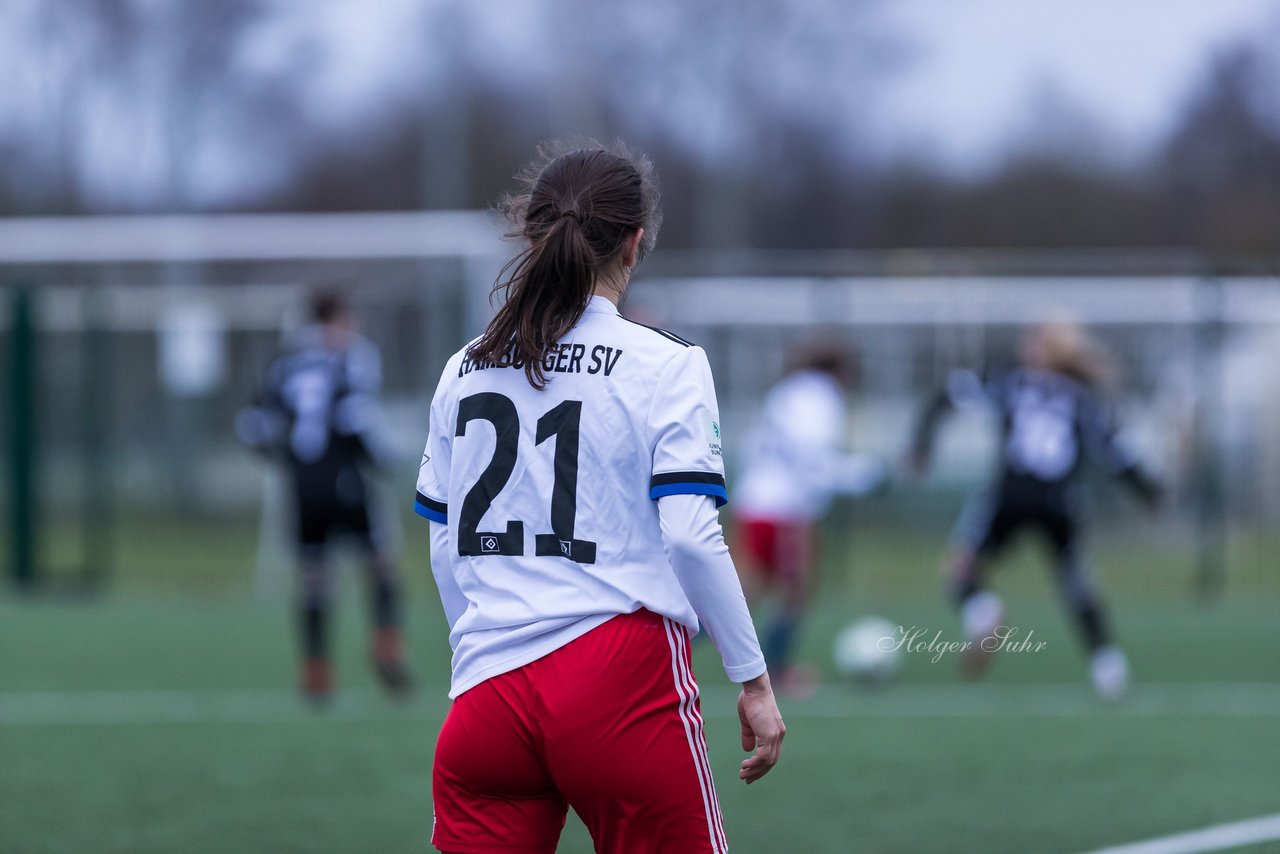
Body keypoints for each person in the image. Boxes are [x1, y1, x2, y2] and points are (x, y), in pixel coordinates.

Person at [414, 141, 785, 854]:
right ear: (635, 244)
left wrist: (483, 651)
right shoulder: (667, 363)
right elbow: (688, 535)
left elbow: (443, 545)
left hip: (487, 694)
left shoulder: (464, 366)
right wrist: (754, 679)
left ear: (533, 234)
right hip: (616, 678)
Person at [909, 318, 1163, 701]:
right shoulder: (1082, 396)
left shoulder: (1009, 380)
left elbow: (949, 393)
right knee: (1077, 585)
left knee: (961, 567)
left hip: (1009, 494)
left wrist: (922, 441)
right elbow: (1115, 453)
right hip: (1058, 500)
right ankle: (1108, 667)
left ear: (1044, 350)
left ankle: (982, 611)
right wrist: (1150, 492)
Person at [237, 290, 410, 702]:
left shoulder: (284, 362)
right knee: (381, 562)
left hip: (302, 483)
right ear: (337, 319)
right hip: (345, 475)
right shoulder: (353, 355)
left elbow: (251, 425)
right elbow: (356, 418)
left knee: (314, 575)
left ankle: (315, 668)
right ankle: (386, 641)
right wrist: (383, 462)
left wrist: (285, 459)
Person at [732, 341, 886, 696]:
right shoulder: (819, 398)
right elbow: (812, 459)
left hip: (757, 498)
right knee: (788, 590)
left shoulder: (788, 391)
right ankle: (777, 670)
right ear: (841, 372)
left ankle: (674, 652)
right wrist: (861, 475)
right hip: (785, 506)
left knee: (749, 591)